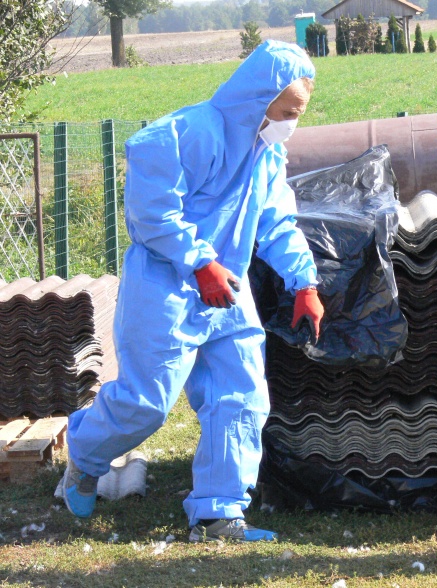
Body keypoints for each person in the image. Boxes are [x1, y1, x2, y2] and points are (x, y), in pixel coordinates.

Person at [61, 40, 325, 543]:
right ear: (258, 99)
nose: (292, 123)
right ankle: (86, 453)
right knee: (147, 402)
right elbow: (152, 212)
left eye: (298, 114)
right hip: (166, 287)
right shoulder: (181, 136)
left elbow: (276, 223)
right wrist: (199, 261)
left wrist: (304, 281)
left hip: (227, 291)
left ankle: (217, 514)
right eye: (288, 111)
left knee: (241, 398)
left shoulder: (267, 153)